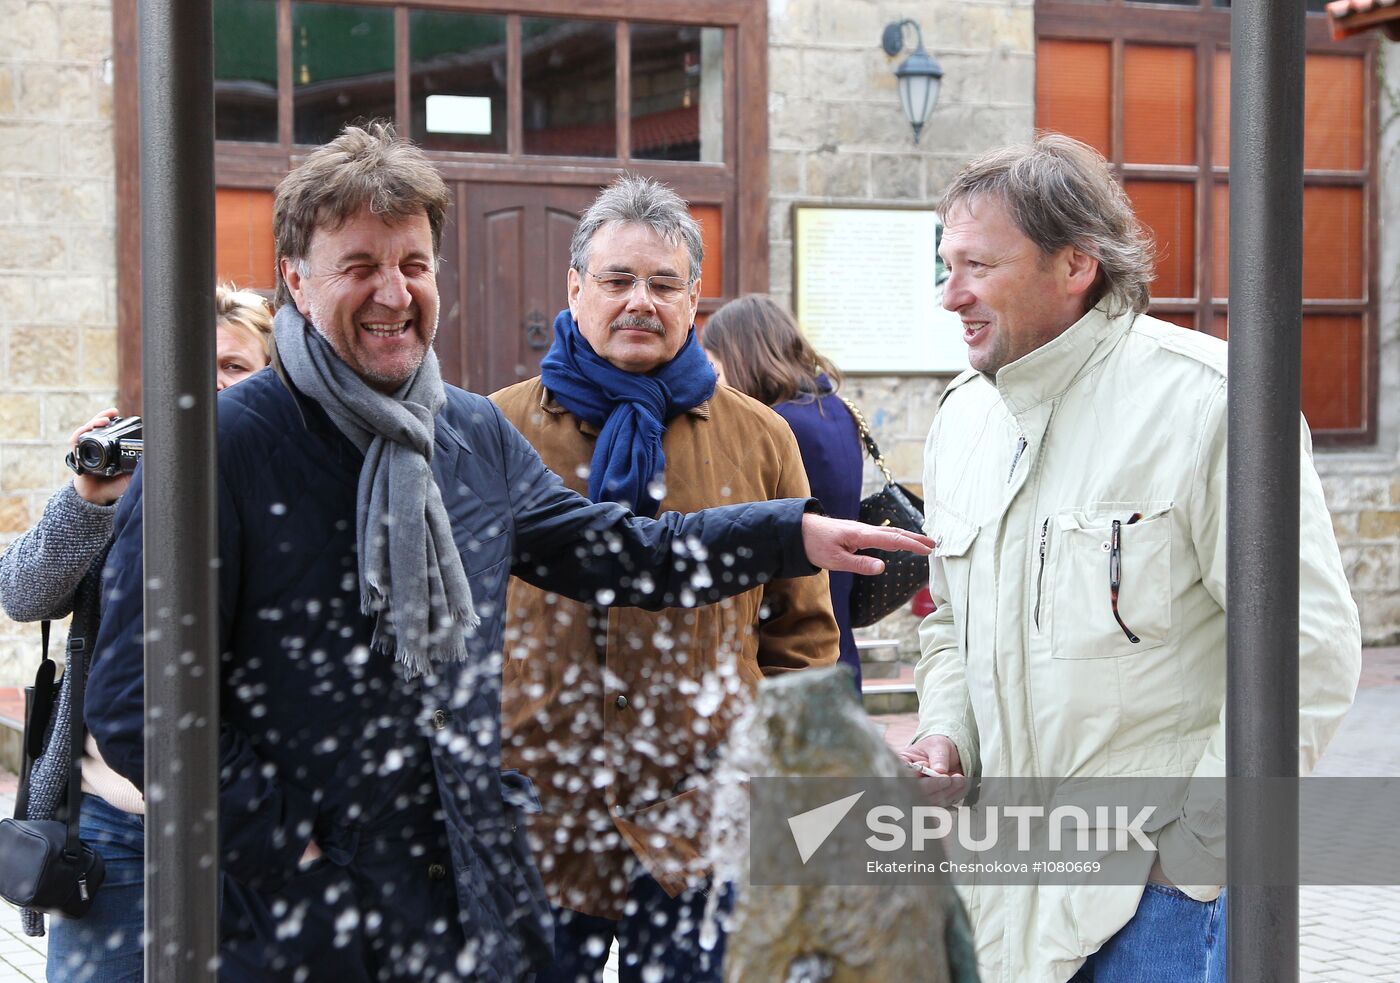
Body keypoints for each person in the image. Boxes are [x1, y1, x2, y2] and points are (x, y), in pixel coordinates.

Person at [84, 123, 930, 983]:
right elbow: (133, 702)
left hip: (458, 896)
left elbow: (612, 550)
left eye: (413, 264)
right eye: (361, 266)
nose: (393, 292)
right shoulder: (219, 446)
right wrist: (291, 840)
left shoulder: (467, 434)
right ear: (296, 282)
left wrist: (785, 533)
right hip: (290, 923)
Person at [897, 134, 1361, 983]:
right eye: (945, 263)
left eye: (976, 266)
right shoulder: (961, 418)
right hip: (999, 896)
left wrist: (1194, 860)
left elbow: (1309, 649)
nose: (948, 294)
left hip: (1155, 911)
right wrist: (945, 732)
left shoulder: (1214, 403)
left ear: (1075, 265)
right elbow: (950, 626)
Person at [491, 180, 840, 983]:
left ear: (694, 298)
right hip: (539, 819)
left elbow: (802, 641)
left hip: (704, 824)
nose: (638, 301)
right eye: (616, 281)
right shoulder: (497, 430)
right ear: (575, 289)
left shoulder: (761, 440)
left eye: (662, 283)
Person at [0, 284, 273, 981]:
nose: (214, 384)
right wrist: (86, 502)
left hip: (248, 824)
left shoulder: (289, 481)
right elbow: (22, 594)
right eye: (193, 366)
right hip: (117, 826)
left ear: (273, 374)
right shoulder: (130, 473)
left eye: (236, 366)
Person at [701, 294, 864, 686]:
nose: (712, 381)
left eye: (715, 365)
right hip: (836, 630)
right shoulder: (833, 408)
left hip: (796, 645)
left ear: (741, 356)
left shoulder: (776, 427)